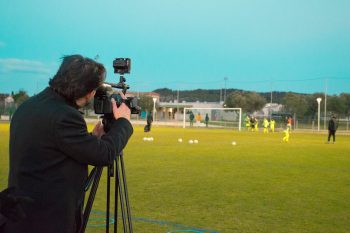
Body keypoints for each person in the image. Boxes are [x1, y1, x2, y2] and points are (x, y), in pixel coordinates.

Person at [3, 55, 133, 233]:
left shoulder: (29, 106)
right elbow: (105, 154)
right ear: (88, 92)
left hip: (18, 216)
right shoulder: (65, 115)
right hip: (45, 221)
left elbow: (53, 148)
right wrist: (123, 122)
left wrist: (92, 137)